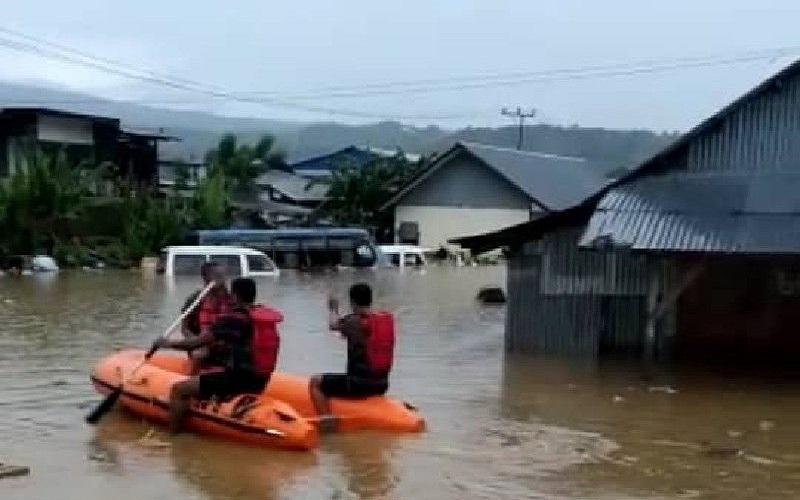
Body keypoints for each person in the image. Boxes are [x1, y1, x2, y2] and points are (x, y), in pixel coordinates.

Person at [154, 277, 283, 434]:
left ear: (235, 295)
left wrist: (166, 343)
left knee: (179, 390)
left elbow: (195, 343)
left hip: (236, 381)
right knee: (210, 376)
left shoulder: (233, 320)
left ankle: (173, 436)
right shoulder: (259, 316)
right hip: (261, 381)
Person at [309, 282, 395, 432]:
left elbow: (333, 325)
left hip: (359, 385)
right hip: (382, 385)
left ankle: (327, 424)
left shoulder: (353, 321)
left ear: (352, 301)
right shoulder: (381, 321)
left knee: (315, 382)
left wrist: (333, 308)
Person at [181, 262, 233, 374]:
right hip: (200, 343)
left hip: (224, 345)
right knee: (200, 353)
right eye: (217, 275)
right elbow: (184, 328)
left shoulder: (232, 299)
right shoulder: (195, 299)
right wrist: (197, 341)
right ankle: (191, 378)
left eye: (223, 275)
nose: (222, 278)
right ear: (206, 277)